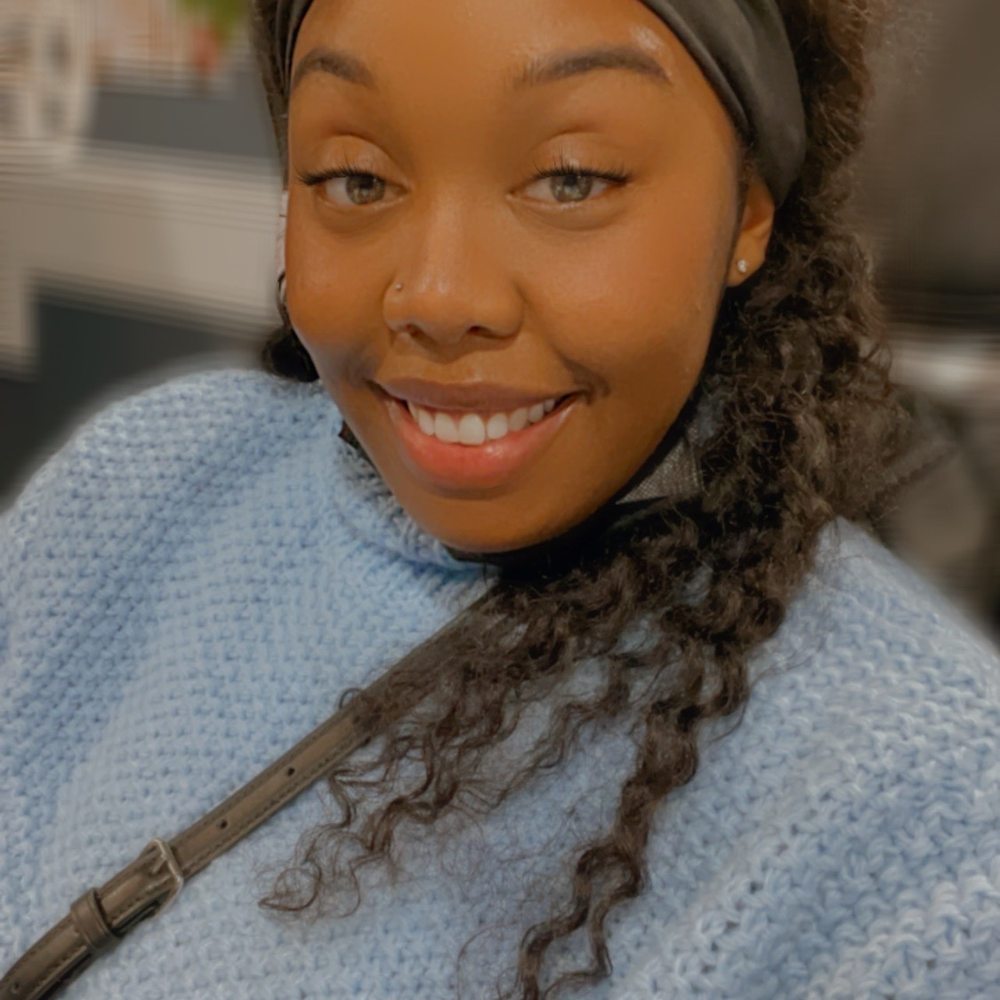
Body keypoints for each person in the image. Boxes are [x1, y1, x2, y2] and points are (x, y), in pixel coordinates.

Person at [2, 0, 998, 998]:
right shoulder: (140, 487)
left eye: (570, 178)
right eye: (356, 178)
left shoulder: (933, 818)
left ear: (746, 212)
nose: (438, 297)